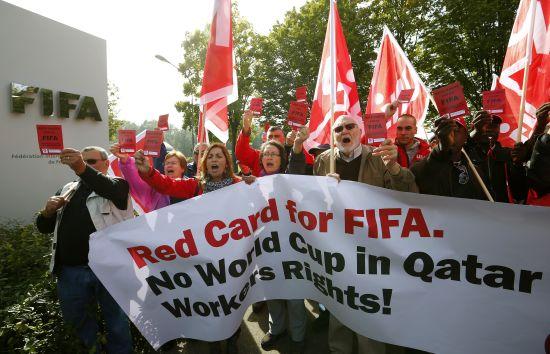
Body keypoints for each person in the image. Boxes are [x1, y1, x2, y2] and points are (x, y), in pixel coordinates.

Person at [314, 115, 417, 354]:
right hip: (337, 244)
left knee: (368, 303)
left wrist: (393, 166)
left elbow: (408, 191)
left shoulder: (380, 157)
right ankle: (338, 349)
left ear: (359, 131)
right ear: (333, 135)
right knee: (339, 299)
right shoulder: (322, 161)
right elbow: (314, 202)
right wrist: (323, 191)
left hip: (371, 245)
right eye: (338, 129)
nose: (344, 131)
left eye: (350, 126)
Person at [135, 142, 250, 354]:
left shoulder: (239, 184)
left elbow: (269, 192)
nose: (215, 159)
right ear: (205, 163)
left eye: (219, 156)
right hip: (205, 256)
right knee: (212, 298)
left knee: (233, 298)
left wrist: (253, 184)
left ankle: (233, 337)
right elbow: (167, 185)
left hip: (233, 253)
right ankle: (215, 340)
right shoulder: (196, 186)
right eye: (211, 157)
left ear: (226, 162)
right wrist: (148, 171)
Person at [35, 146, 133, 353]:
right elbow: (44, 228)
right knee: (79, 324)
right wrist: (47, 213)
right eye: (84, 161)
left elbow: (108, 188)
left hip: (108, 270)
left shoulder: (118, 185)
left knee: (117, 323)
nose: (86, 165)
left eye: (92, 161)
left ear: (106, 164)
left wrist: (81, 167)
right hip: (71, 272)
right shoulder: (66, 189)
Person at [249, 128, 308, 354]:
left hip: (292, 247)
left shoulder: (290, 178)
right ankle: (277, 329)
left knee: (294, 295)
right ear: (261, 160)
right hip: (266, 248)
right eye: (266, 154)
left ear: (281, 159)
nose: (270, 157)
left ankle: (298, 334)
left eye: (274, 153)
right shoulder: (253, 184)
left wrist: (297, 147)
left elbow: (297, 164)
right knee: (273, 292)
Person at [411, 117, 489, 200]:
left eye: (455, 130)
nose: (450, 135)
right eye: (444, 131)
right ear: (438, 136)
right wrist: (442, 149)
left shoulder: (476, 172)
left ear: (466, 136)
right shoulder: (420, 169)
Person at [463, 111, 528, 203]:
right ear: (474, 127)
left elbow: (519, 192)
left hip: (502, 209)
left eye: (494, 126)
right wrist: (475, 134)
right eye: (485, 125)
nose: (490, 129)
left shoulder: (509, 154)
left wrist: (518, 165)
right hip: (474, 209)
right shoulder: (463, 152)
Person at [236, 110, 314, 176]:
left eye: (276, 136)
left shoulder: (291, 154)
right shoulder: (258, 155)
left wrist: (297, 143)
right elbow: (241, 153)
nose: (273, 139)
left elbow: (297, 165)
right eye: (270, 137)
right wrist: (246, 128)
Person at [110, 143, 188, 209]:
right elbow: (138, 182)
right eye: (167, 163)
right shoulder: (156, 187)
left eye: (173, 163)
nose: (169, 166)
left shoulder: (193, 187)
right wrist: (125, 160)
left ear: (183, 168)